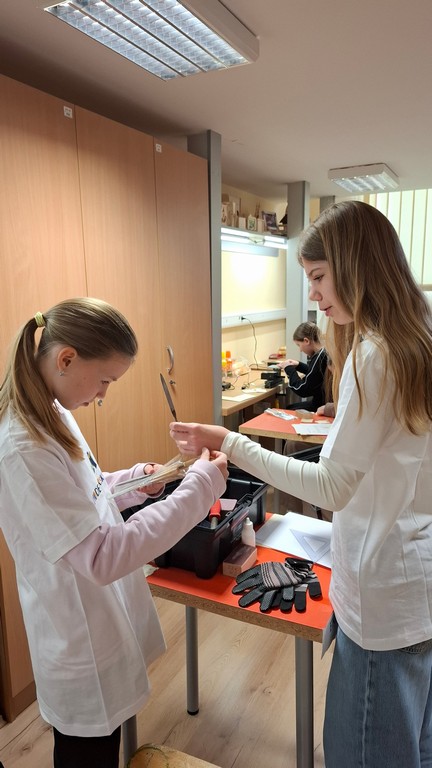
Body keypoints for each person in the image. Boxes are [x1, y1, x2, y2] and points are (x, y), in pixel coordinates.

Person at [170, 200, 432, 768]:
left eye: (318, 276)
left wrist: (233, 440)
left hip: (385, 598)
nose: (313, 295)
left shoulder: (374, 353)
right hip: (417, 584)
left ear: (355, 266)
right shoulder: (418, 337)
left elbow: (332, 487)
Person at [0, 297, 227, 768]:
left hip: (99, 618)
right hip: (77, 634)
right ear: (66, 359)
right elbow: (101, 555)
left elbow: (88, 493)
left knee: (105, 739)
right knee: (88, 751)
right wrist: (199, 489)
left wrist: (139, 481)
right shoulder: (22, 447)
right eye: (105, 380)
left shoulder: (53, 410)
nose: (103, 394)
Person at [277, 321, 328, 411]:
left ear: (306, 341)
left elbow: (303, 389)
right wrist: (299, 365)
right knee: (291, 407)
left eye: (299, 345)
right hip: (323, 401)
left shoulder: (319, 357)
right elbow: (316, 374)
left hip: (321, 405)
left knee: (289, 410)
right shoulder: (324, 352)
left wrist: (288, 368)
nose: (300, 350)